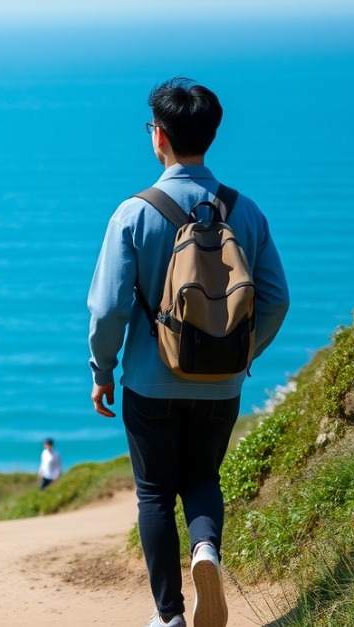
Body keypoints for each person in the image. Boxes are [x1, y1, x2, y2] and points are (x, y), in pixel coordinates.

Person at [86, 78, 289, 627]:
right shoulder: (245, 213)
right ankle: (206, 551)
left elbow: (108, 311)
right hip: (221, 384)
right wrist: (242, 356)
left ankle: (169, 616)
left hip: (150, 385)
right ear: (211, 135)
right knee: (203, 479)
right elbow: (275, 299)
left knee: (154, 494)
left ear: (160, 138)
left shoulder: (134, 213)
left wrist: (103, 371)